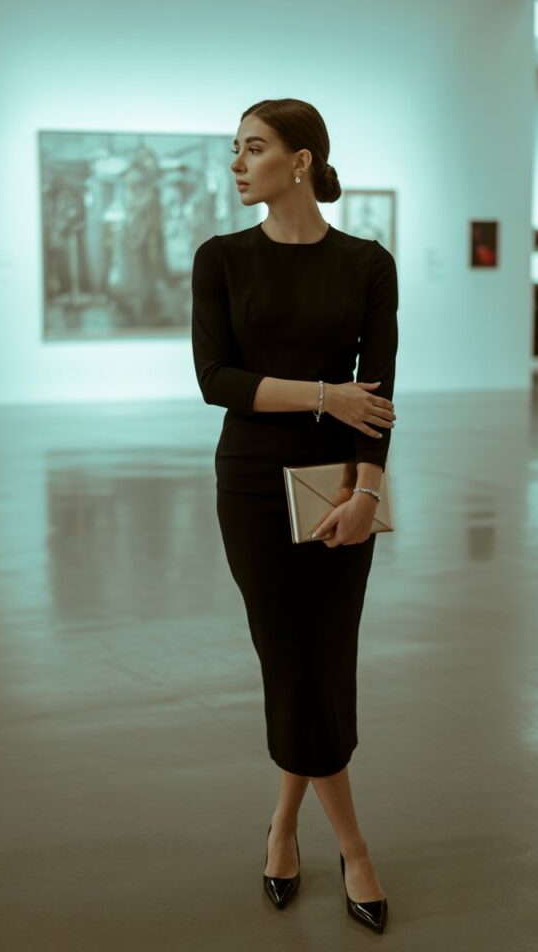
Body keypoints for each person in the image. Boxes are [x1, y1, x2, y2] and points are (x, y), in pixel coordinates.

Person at [190, 98, 398, 934]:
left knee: (325, 657)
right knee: (290, 657)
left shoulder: (367, 263)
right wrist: (323, 394)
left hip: (340, 484)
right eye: (234, 150)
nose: (237, 164)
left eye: (253, 148)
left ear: (302, 160)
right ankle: (353, 846)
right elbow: (218, 380)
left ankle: (282, 826)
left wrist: (368, 494)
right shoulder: (222, 258)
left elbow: (379, 396)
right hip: (250, 479)